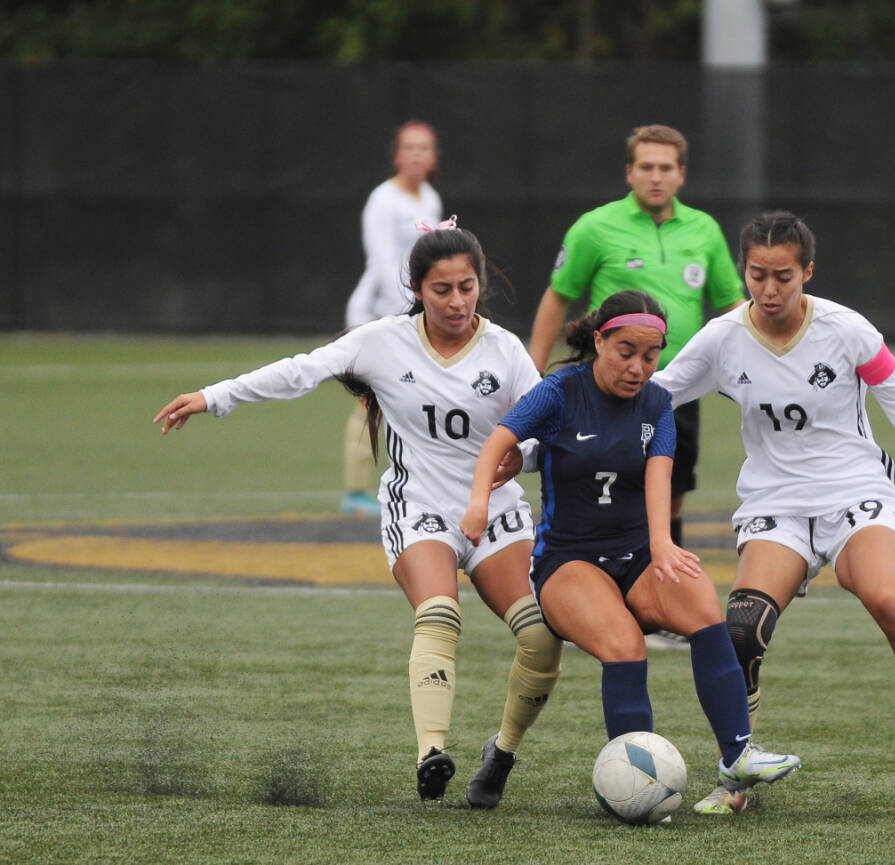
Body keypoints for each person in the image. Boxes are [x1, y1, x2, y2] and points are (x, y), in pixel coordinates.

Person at [154, 220, 562, 810]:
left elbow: (547, 436)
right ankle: (431, 754)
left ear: (481, 287)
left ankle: (500, 754)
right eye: (442, 289)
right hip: (420, 508)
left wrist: (520, 458)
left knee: (541, 637)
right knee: (440, 613)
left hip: (495, 512)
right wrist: (214, 396)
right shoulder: (382, 340)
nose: (456, 301)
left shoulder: (505, 351)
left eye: (467, 287)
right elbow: (301, 370)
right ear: (418, 288)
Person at [653, 211, 895, 811]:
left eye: (783, 277)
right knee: (741, 628)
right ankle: (740, 776)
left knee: (883, 596)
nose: (768, 290)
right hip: (775, 503)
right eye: (757, 275)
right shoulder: (722, 338)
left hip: (855, 490)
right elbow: (657, 392)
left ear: (807, 273)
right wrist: (548, 433)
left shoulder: (847, 331)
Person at [462, 290, 800, 816]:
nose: (639, 367)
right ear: (599, 340)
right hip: (568, 561)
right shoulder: (559, 391)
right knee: (625, 646)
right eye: (626, 351)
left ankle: (737, 755)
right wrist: (479, 503)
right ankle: (634, 790)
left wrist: (663, 547)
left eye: (651, 354)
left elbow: (659, 474)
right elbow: (497, 442)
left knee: (707, 612)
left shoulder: (658, 402)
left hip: (637, 553)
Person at [527, 125, 744, 651]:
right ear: (629, 172)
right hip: (600, 389)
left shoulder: (705, 231)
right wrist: (531, 372)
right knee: (587, 484)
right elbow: (559, 297)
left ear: (682, 174)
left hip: (676, 389)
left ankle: (661, 601)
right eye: (645, 166)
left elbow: (734, 307)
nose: (655, 176)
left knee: (669, 493)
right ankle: (581, 595)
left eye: (665, 167)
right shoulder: (595, 228)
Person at [341, 120, 445, 516]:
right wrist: (410, 314)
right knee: (371, 401)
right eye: (410, 148)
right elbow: (384, 264)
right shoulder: (382, 200)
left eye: (426, 148)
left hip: (416, 313)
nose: (418, 155)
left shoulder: (429, 199)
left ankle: (418, 483)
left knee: (417, 398)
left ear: (434, 157)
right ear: (397, 155)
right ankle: (354, 493)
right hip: (377, 312)